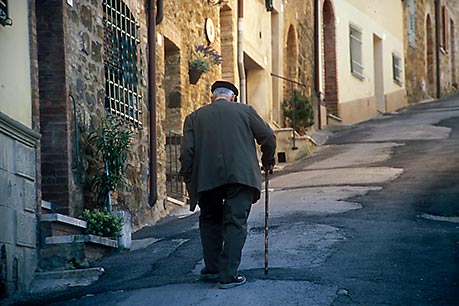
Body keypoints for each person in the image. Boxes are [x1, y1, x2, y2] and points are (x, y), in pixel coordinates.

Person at [179, 80, 276, 289]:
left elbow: (186, 153)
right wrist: (268, 159)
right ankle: (228, 275)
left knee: (210, 219)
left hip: (207, 177)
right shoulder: (245, 110)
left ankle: (212, 269)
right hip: (241, 176)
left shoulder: (194, 118)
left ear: (213, 97)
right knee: (235, 222)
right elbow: (267, 136)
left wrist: (189, 177)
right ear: (233, 97)